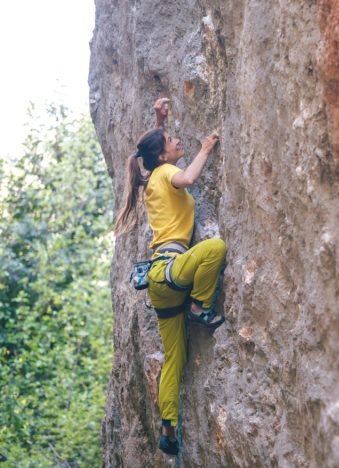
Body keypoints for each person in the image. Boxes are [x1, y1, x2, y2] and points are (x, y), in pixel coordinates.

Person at [113, 98, 227, 456]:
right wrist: (207, 147)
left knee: (173, 358)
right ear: (162, 156)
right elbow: (188, 177)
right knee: (215, 249)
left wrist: (158, 120)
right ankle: (201, 308)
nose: (179, 141)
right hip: (171, 271)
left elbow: (150, 156)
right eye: (171, 139)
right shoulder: (164, 174)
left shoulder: (151, 176)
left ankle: (168, 429)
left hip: (160, 284)